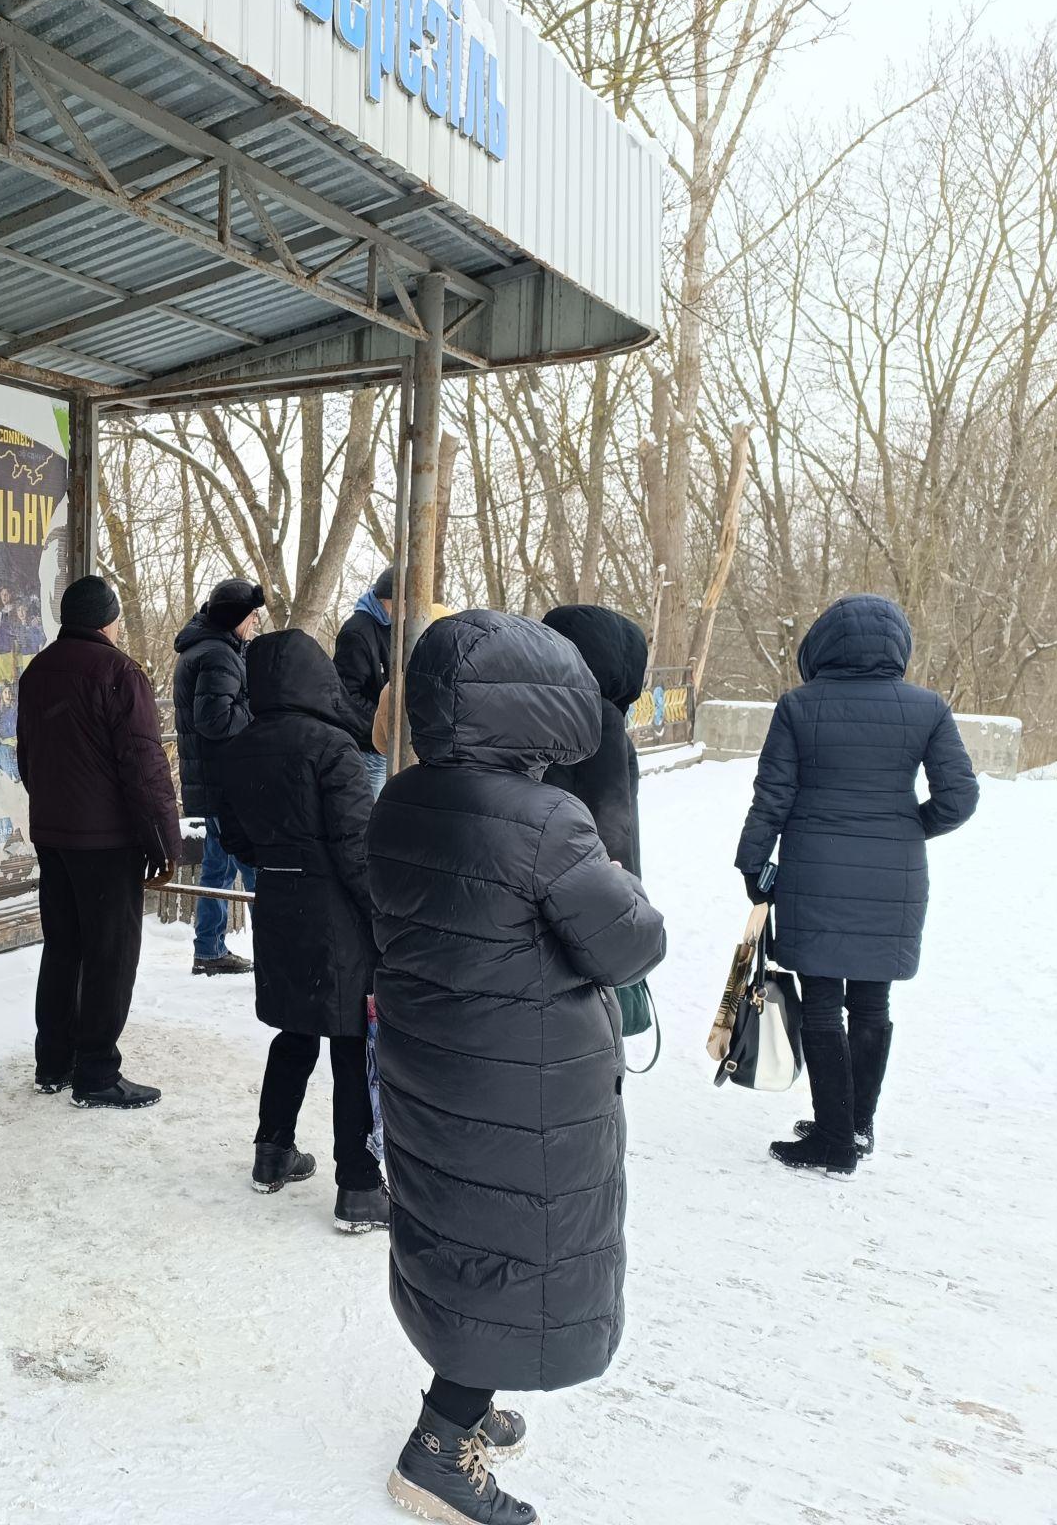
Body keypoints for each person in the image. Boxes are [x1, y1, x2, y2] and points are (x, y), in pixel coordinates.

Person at [369, 610, 665, 1525]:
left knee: (465, 1232)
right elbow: (632, 945)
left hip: (439, 1064)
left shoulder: (404, 797)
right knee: (517, 1247)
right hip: (522, 1079)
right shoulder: (547, 821)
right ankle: (437, 1448)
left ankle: (470, 1390)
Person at [735, 593, 977, 1175]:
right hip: (894, 874)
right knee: (872, 998)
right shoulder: (928, 708)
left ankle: (833, 1138)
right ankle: (856, 1127)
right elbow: (960, 797)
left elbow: (773, 795)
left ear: (823, 644)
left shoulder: (799, 706)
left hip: (814, 867)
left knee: (822, 1001)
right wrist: (908, 829)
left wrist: (751, 862)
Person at [214, 630, 387, 1231]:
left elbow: (233, 837)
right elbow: (356, 849)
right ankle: (359, 1186)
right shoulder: (333, 748)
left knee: (293, 1032)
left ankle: (272, 1151)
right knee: (348, 1046)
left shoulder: (239, 749)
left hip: (278, 902)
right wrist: (384, 918)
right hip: (336, 910)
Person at [17, 575, 181, 1109]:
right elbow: (143, 762)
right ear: (108, 620)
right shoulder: (118, 671)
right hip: (106, 841)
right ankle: (96, 1073)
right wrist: (163, 838)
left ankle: (53, 1061)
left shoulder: (38, 669)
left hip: (53, 833)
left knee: (63, 949)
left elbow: (26, 756)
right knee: (110, 955)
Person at [172, 577, 266, 976]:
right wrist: (261, 711)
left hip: (214, 779)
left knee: (218, 867)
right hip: (227, 780)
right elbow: (215, 719)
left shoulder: (206, 647)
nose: (257, 622)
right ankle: (276, 953)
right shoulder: (218, 655)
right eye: (252, 615)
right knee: (256, 867)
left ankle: (209, 948)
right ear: (237, 618)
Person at [541, 605, 648, 873]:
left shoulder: (532, 708)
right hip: (576, 886)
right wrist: (629, 897)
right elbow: (612, 824)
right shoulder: (601, 720)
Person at [334, 566, 396, 794]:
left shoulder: (393, 627)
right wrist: (383, 722)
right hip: (367, 747)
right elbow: (345, 694)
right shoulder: (357, 632)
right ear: (387, 600)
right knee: (369, 814)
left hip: (387, 745)